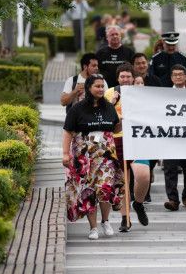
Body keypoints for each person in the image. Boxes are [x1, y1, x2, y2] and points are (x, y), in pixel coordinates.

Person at [62, 75, 123, 240]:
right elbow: (68, 131)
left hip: (106, 154)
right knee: (88, 191)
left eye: (102, 86)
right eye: (97, 86)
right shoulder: (77, 108)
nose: (101, 89)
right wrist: (65, 153)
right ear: (89, 88)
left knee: (105, 188)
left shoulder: (109, 107)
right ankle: (93, 227)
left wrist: (125, 119)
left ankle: (105, 221)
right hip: (84, 156)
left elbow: (116, 128)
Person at [104, 64, 150, 232]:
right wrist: (113, 102)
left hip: (138, 140)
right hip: (117, 141)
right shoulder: (109, 93)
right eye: (122, 77)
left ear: (133, 78)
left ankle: (138, 204)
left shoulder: (142, 93)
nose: (125, 79)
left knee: (143, 176)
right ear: (118, 78)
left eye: (128, 77)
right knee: (124, 181)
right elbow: (104, 116)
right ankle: (126, 218)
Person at [163, 65, 186, 211]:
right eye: (175, 75)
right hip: (170, 138)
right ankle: (172, 199)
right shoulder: (164, 95)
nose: (178, 77)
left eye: (181, 74)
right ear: (171, 77)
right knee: (170, 168)